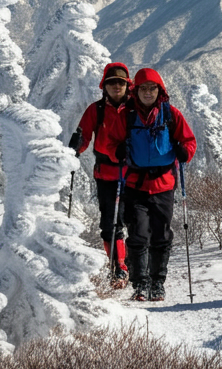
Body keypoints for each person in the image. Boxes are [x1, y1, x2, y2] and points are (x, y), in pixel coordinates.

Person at [123, 67, 196, 302]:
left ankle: (157, 283)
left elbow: (188, 140)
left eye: (152, 88)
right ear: (136, 91)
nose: (147, 92)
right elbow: (113, 139)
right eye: (143, 88)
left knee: (161, 234)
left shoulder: (171, 114)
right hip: (135, 183)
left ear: (159, 90)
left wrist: (185, 152)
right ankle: (140, 283)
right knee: (138, 233)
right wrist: (117, 151)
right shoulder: (127, 114)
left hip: (164, 183)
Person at [70, 62, 132, 287]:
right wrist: (76, 148)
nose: (116, 86)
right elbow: (84, 135)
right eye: (112, 82)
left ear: (128, 85)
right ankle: (119, 268)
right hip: (106, 174)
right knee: (110, 223)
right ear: (104, 86)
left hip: (134, 174)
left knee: (133, 220)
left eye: (121, 82)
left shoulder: (136, 108)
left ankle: (133, 265)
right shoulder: (95, 110)